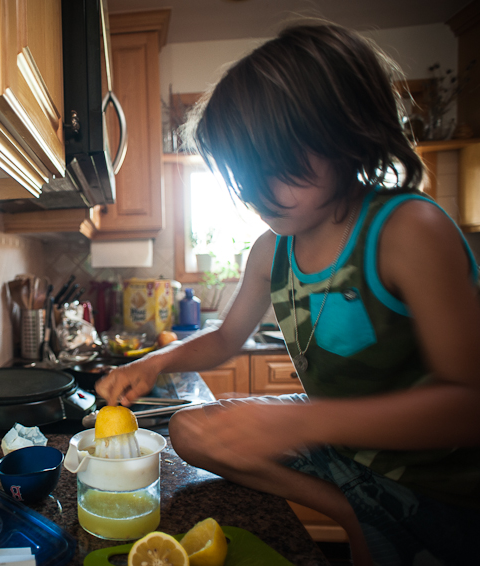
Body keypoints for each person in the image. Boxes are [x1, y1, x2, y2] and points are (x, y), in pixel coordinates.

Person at [95, 23, 480, 565]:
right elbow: (228, 337)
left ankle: (373, 507)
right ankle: (348, 508)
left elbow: (468, 404)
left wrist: (300, 421)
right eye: (246, 174)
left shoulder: (407, 230)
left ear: (346, 131)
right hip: (338, 445)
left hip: (438, 481)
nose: (258, 192)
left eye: (275, 166)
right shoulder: (270, 250)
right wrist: (157, 361)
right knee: (189, 429)